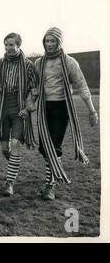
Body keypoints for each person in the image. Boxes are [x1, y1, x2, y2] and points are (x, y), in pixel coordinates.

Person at [35, 27, 98, 200]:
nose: (49, 44)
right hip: (43, 108)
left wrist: (92, 111)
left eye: (53, 41)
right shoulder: (39, 63)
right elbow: (34, 88)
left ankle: (50, 185)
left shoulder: (70, 62)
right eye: (47, 41)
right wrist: (28, 106)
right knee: (43, 147)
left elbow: (82, 86)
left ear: (59, 42)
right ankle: (54, 171)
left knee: (53, 146)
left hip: (62, 107)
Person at [0, 33, 39, 196]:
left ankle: (9, 182)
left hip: (19, 108)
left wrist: (27, 108)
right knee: (5, 148)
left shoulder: (28, 65)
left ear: (19, 45)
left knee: (15, 144)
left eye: (11, 45)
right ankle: (14, 165)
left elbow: (34, 89)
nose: (8, 48)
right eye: (6, 45)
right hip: (3, 108)